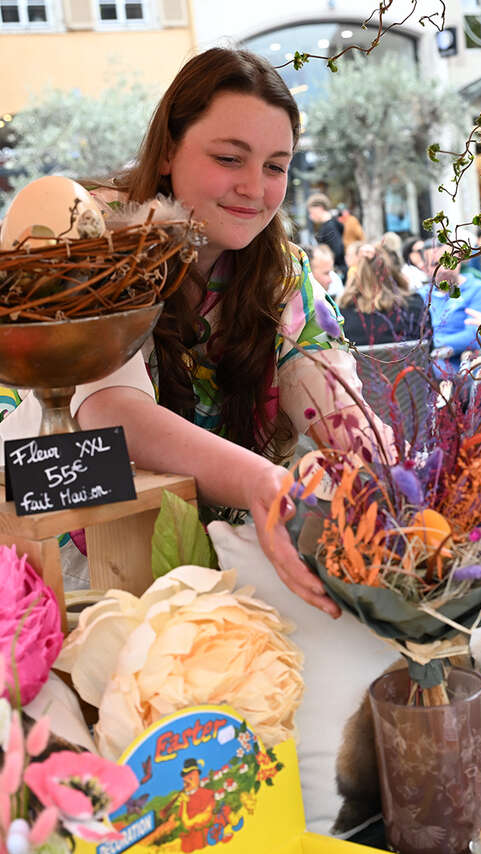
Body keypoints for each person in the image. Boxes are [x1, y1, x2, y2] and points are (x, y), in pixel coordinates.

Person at [0, 48, 388, 619]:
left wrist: (385, 463)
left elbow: (320, 381)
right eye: (230, 158)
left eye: (276, 166)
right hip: (69, 560)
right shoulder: (94, 240)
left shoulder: (279, 267)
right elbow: (111, 413)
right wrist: (264, 483)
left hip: (211, 559)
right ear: (168, 152)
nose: (255, 188)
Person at [338, 246, 430, 346]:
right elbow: (428, 347)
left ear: (358, 275)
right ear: (394, 272)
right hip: (410, 361)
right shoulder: (414, 306)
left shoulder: (341, 315)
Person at [306, 192, 346, 276]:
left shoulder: (329, 227)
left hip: (335, 272)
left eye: (311, 212)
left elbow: (337, 251)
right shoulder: (331, 224)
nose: (310, 216)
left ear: (319, 208)